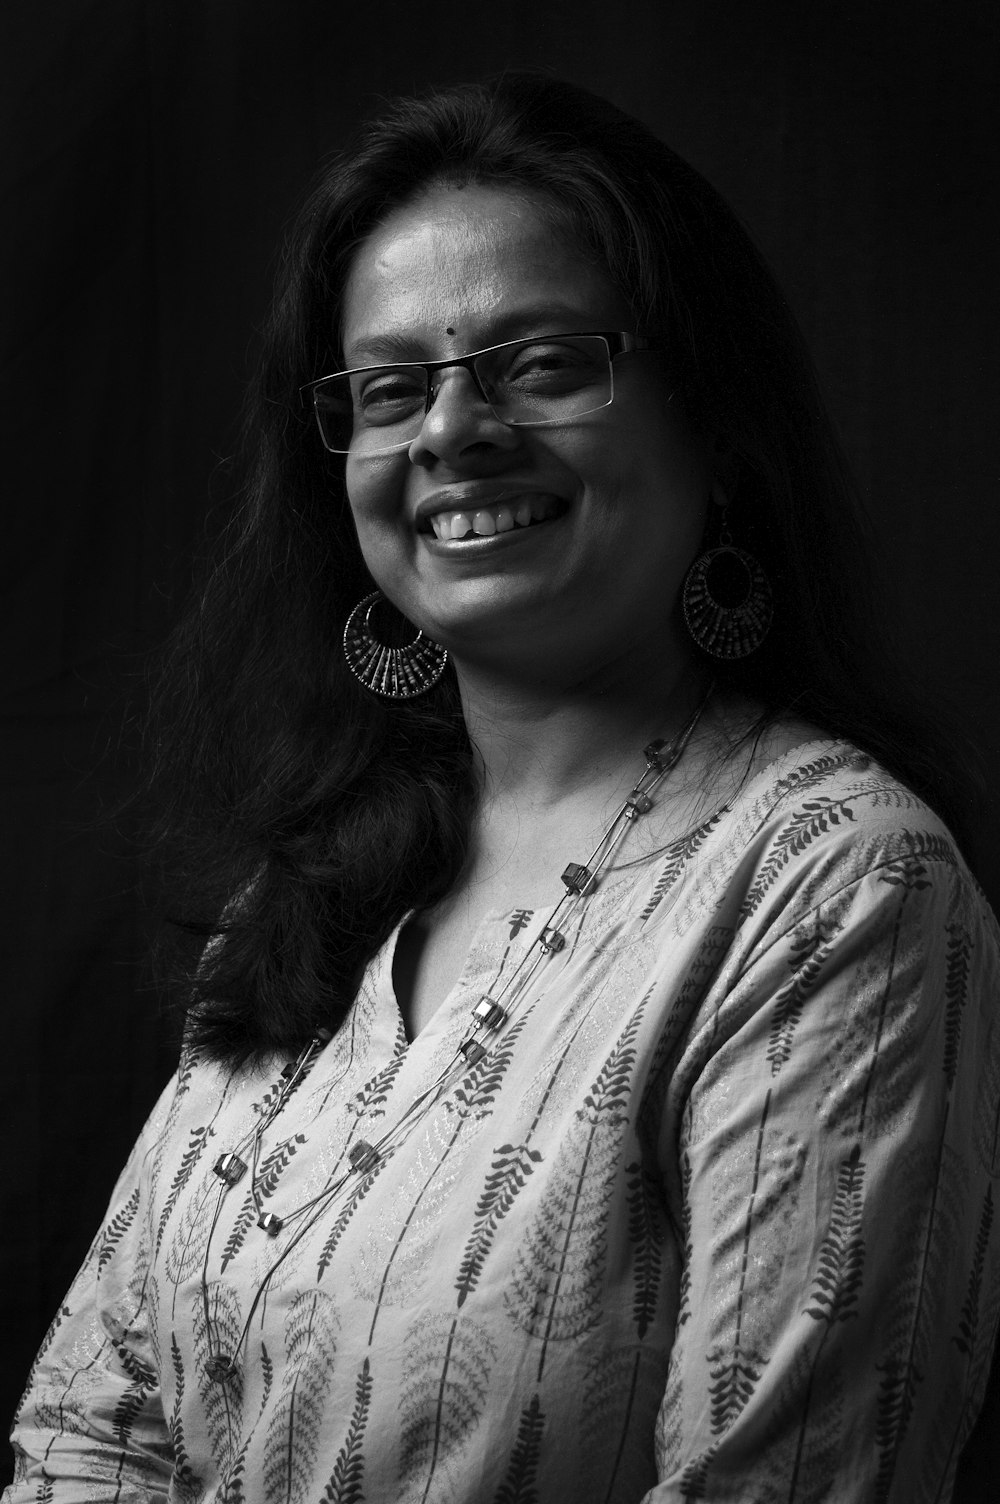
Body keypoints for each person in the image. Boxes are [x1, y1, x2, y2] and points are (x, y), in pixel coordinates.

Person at [6, 72, 999, 1504]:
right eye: (393, 387)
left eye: (541, 362)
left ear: (716, 429)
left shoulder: (836, 886)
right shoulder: (305, 907)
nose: (452, 433)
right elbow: (88, 1437)